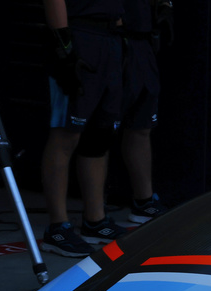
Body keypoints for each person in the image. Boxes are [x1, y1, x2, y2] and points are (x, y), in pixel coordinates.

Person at [40, 0, 131, 257]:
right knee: (66, 134)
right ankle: (58, 228)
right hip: (78, 36)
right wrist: (63, 43)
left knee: (100, 136)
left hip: (110, 37)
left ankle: (95, 221)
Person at [119, 0, 172, 222]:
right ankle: (94, 215)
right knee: (98, 131)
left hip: (144, 41)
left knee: (142, 126)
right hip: (111, 39)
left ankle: (144, 201)